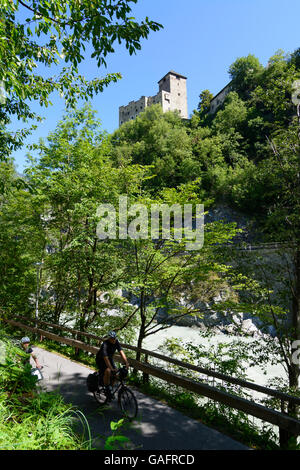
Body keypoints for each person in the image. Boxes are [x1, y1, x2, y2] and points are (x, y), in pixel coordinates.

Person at [96, 331, 129, 399]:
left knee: (116, 373)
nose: (114, 340)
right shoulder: (105, 345)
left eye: (115, 338)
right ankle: (107, 388)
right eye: (112, 338)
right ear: (109, 338)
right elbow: (105, 358)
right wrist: (111, 368)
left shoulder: (116, 342)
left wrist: (126, 362)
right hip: (101, 360)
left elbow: (121, 352)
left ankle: (110, 388)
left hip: (109, 359)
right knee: (108, 371)